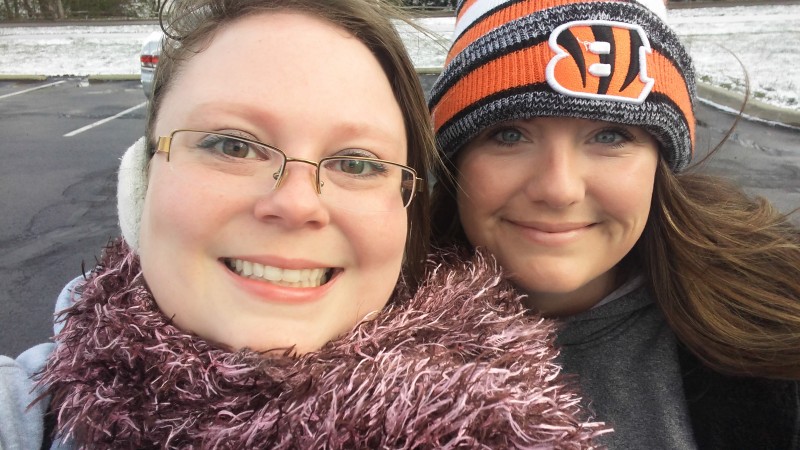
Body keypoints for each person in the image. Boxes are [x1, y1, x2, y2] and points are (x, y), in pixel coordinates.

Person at [0, 0, 611, 448]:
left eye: (356, 163)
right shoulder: (27, 414)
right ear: (141, 183)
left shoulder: (514, 421)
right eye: (233, 145)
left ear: (406, 216)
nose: (296, 205)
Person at [429, 0, 800, 448]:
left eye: (609, 135)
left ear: (659, 164)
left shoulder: (776, 331)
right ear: (455, 162)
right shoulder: (364, 331)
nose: (559, 189)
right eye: (509, 134)